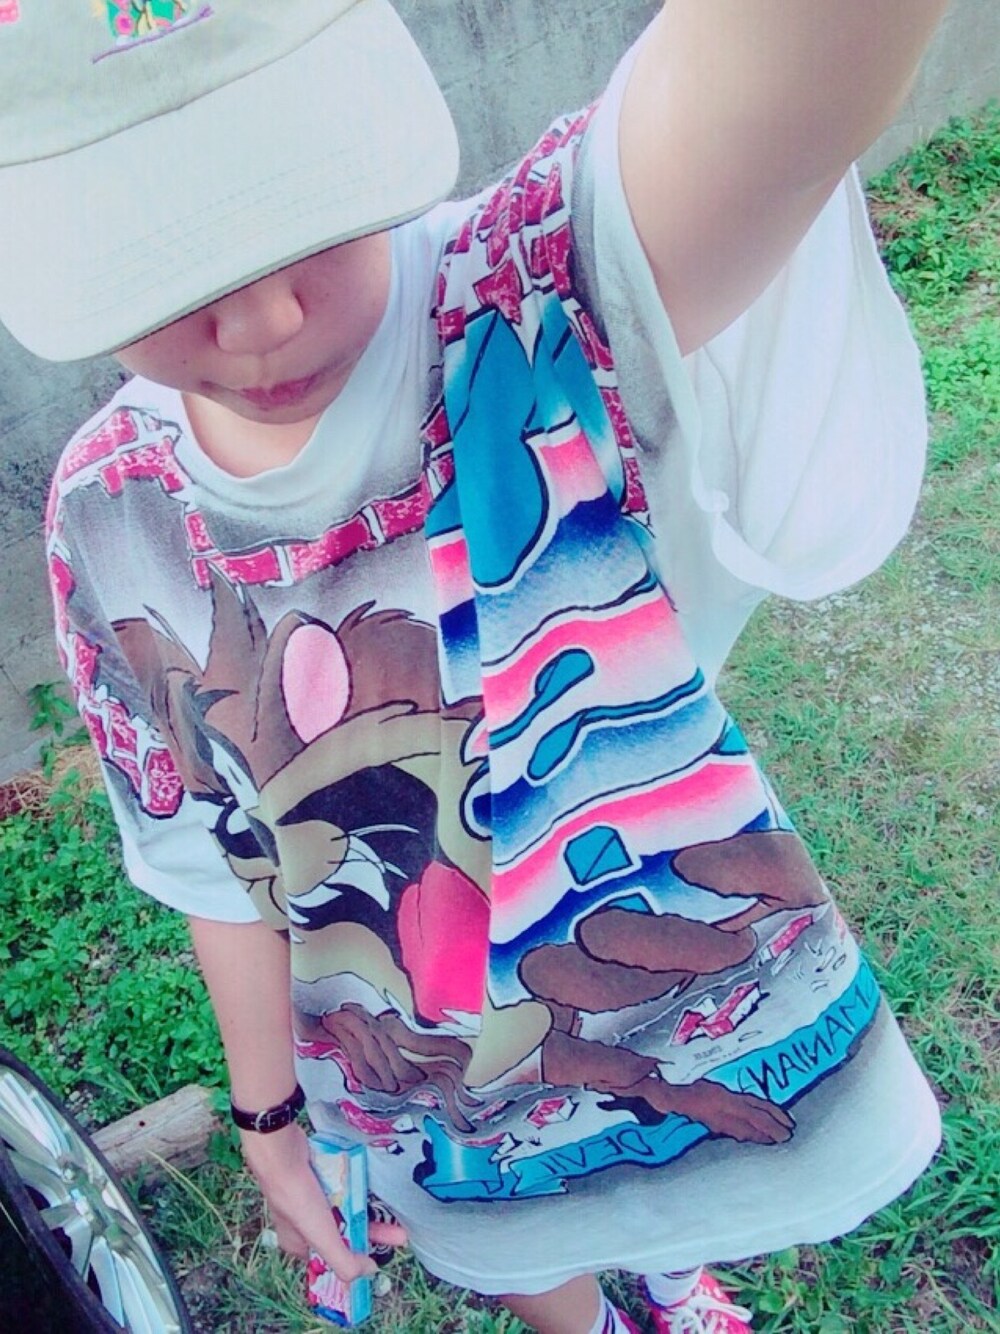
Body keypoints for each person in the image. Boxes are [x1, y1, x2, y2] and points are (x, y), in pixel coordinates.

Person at [0, 2, 948, 1331]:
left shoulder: (533, 291)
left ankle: (673, 1269)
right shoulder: (111, 513)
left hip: (660, 983)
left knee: (640, 1133)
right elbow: (211, 854)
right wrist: (268, 1117)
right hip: (415, 1054)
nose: (267, 317)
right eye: (162, 255)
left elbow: (799, 70)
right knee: (520, 1233)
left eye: (302, 198)